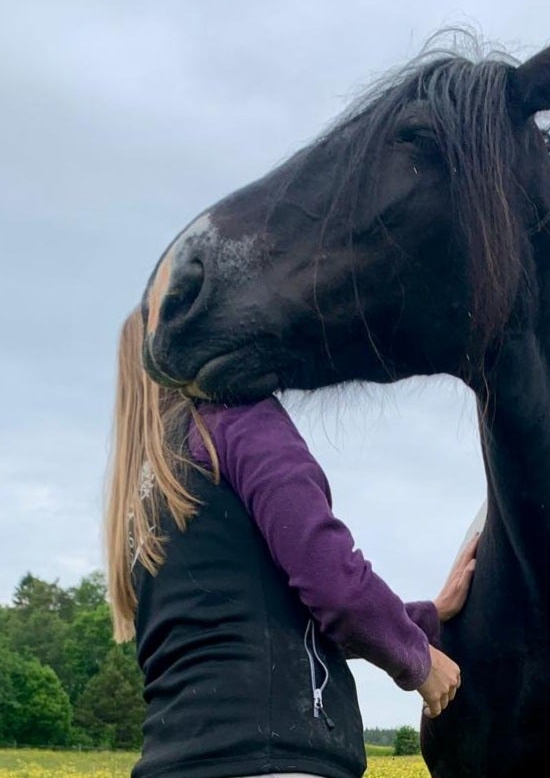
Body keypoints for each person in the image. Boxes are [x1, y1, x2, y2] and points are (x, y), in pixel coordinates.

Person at [105, 311, 479, 778]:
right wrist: (419, 662)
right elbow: (332, 583)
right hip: (275, 756)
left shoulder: (146, 500)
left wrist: (427, 615)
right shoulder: (235, 419)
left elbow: (268, 623)